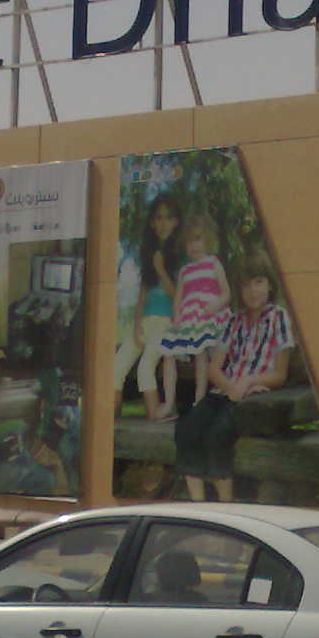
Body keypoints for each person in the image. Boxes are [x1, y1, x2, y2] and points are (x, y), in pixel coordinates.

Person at [173, 261, 295, 501]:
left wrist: (248, 381)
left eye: (259, 282)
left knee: (217, 434)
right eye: (246, 285)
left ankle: (224, 505)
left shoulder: (278, 317)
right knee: (186, 429)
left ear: (270, 284)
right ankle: (199, 505)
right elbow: (214, 367)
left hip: (252, 399)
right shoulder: (233, 321)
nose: (253, 290)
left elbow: (280, 373)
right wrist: (230, 388)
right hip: (224, 391)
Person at [156, 211, 230, 411]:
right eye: (189, 242)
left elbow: (226, 293)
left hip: (208, 316)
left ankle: (199, 398)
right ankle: (169, 401)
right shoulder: (185, 271)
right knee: (168, 353)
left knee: (200, 351)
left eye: (198, 239)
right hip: (188, 319)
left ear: (208, 239)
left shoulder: (214, 264)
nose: (193, 246)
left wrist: (216, 305)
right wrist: (177, 315)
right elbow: (179, 299)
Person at [122, 194, 184, 418]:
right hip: (146, 320)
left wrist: (161, 269)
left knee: (145, 367)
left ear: (176, 221)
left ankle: (157, 416)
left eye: (168, 218)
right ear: (151, 222)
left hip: (167, 321)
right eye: (158, 218)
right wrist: (137, 323)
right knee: (116, 368)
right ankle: (110, 426)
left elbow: (179, 296)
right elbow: (143, 292)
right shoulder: (149, 253)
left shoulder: (181, 254)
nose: (163, 223)